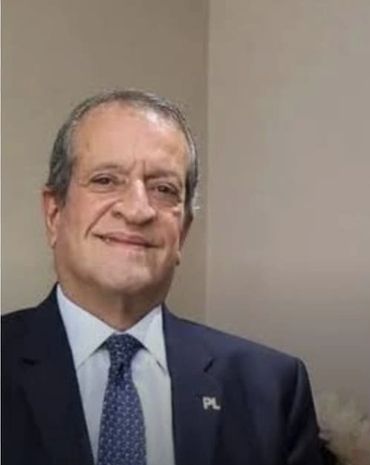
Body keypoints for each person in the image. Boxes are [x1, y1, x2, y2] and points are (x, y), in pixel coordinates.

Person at [2, 89, 324, 465]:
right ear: (54, 214)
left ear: (182, 232)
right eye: (106, 180)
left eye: (163, 189)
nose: (138, 210)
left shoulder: (270, 389)